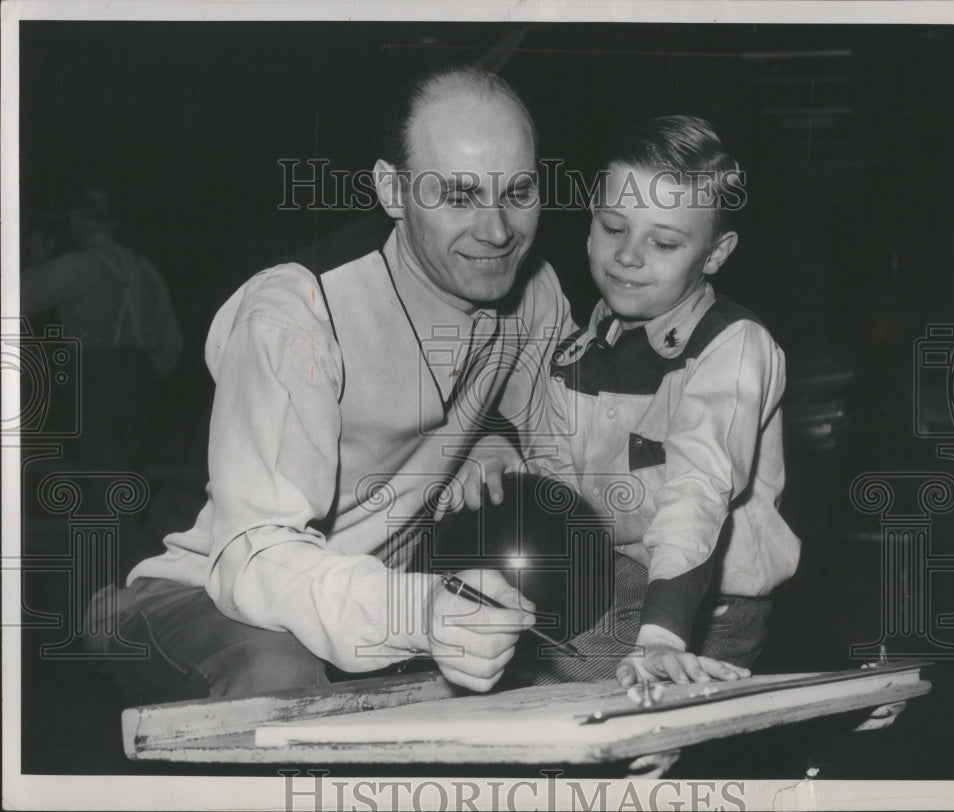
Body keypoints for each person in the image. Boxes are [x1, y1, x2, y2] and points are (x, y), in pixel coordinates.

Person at [82, 65, 575, 704]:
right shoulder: (296, 313)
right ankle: (110, 610)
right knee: (279, 679)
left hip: (376, 587)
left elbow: (567, 447)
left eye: (519, 191)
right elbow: (255, 557)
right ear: (392, 191)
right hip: (210, 585)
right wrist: (418, 613)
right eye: (458, 196)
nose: (498, 230)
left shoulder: (535, 294)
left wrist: (500, 435)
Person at [443, 116, 801, 695]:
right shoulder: (576, 353)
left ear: (714, 253)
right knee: (468, 641)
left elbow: (699, 488)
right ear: (588, 230)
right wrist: (499, 454)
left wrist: (661, 633)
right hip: (606, 576)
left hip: (703, 601)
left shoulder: (734, 346)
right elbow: (558, 485)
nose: (629, 256)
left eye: (662, 243)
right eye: (614, 228)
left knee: (544, 683)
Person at [21, 189, 183, 472]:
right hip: (142, 381)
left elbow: (17, 300)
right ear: (114, 225)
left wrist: (37, 262)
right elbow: (173, 343)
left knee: (102, 476)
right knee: (132, 475)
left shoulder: (72, 267)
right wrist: (143, 374)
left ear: (75, 223)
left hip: (93, 379)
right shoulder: (147, 271)